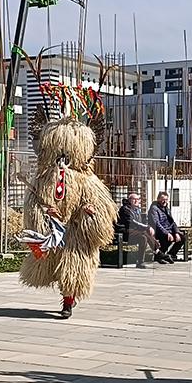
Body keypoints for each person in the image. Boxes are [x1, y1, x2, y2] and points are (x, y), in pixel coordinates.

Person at [20, 107, 117, 320]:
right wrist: (46, 216)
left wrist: (87, 213)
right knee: (51, 265)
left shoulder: (89, 182)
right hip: (53, 231)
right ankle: (65, 297)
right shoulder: (42, 180)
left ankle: (68, 302)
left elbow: (103, 213)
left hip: (75, 234)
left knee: (73, 269)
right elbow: (32, 205)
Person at [117, 193, 158, 268]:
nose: (136, 201)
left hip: (134, 232)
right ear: (129, 200)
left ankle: (140, 262)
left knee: (143, 238)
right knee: (144, 233)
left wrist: (147, 227)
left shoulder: (137, 210)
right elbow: (132, 223)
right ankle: (158, 252)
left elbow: (140, 223)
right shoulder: (125, 209)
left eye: (138, 199)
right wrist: (147, 227)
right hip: (125, 232)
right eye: (134, 199)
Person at [148, 191, 186, 263]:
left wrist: (176, 232)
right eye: (163, 199)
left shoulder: (167, 209)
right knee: (167, 238)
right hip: (158, 230)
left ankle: (171, 255)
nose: (164, 201)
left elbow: (172, 222)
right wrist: (167, 233)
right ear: (158, 199)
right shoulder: (154, 208)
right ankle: (159, 256)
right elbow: (156, 223)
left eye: (166, 199)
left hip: (168, 230)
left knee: (182, 238)